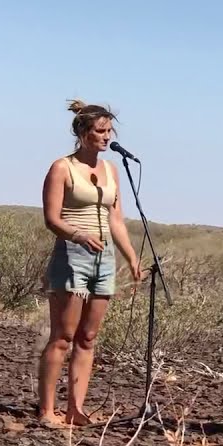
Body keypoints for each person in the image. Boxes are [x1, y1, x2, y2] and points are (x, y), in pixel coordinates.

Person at [37, 100, 142, 428]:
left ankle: (76, 408)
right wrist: (78, 235)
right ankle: (47, 410)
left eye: (109, 131)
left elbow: (116, 219)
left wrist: (131, 256)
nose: (106, 136)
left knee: (88, 337)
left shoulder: (111, 171)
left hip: (104, 258)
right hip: (72, 256)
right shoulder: (62, 168)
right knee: (63, 336)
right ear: (83, 133)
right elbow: (51, 219)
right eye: (100, 130)